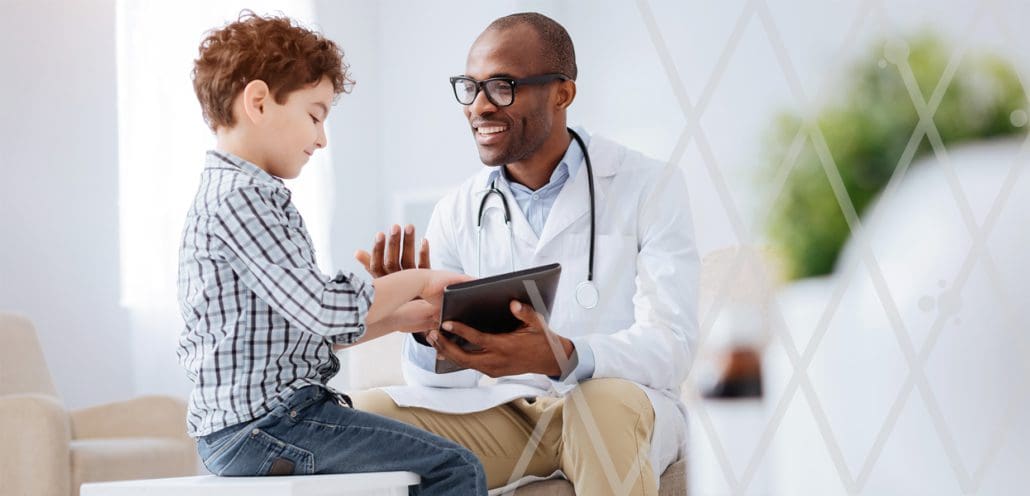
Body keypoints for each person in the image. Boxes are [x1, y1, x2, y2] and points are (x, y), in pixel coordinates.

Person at [352, 12, 699, 496]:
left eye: (501, 86)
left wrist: (565, 356)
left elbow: (673, 344)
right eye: (469, 88)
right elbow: (440, 388)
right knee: (364, 416)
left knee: (599, 408)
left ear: (562, 93)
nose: (479, 106)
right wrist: (423, 329)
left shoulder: (649, 185)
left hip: (618, 404)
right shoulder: (458, 209)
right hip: (510, 417)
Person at [177, 12, 486, 495]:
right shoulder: (243, 199)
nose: (321, 139)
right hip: (268, 427)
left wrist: (402, 319)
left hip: (253, 428)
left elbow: (301, 335)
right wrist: (421, 279)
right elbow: (325, 310)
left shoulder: (238, 194)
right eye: (315, 116)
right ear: (258, 102)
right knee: (453, 468)